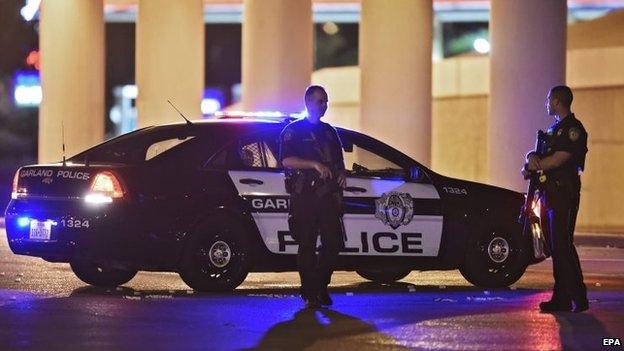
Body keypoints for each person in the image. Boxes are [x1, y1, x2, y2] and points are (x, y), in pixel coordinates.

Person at [279, 85, 346, 308]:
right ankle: (309, 290)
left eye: (326, 101)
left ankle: (320, 285)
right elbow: (287, 161)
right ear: (308, 103)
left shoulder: (330, 131)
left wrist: (342, 174)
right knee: (307, 243)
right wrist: (313, 164)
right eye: (320, 101)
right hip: (305, 195)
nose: (324, 105)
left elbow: (338, 161)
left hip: (327, 196)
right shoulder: (293, 130)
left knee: (334, 242)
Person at [523, 85, 589, 313]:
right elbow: (542, 155)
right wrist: (530, 160)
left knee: (562, 245)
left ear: (557, 102)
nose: (546, 102)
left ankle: (578, 297)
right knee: (555, 246)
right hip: (550, 193)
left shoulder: (573, 129)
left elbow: (561, 158)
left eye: (548, 99)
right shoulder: (554, 130)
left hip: (564, 192)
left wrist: (539, 164)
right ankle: (561, 298)